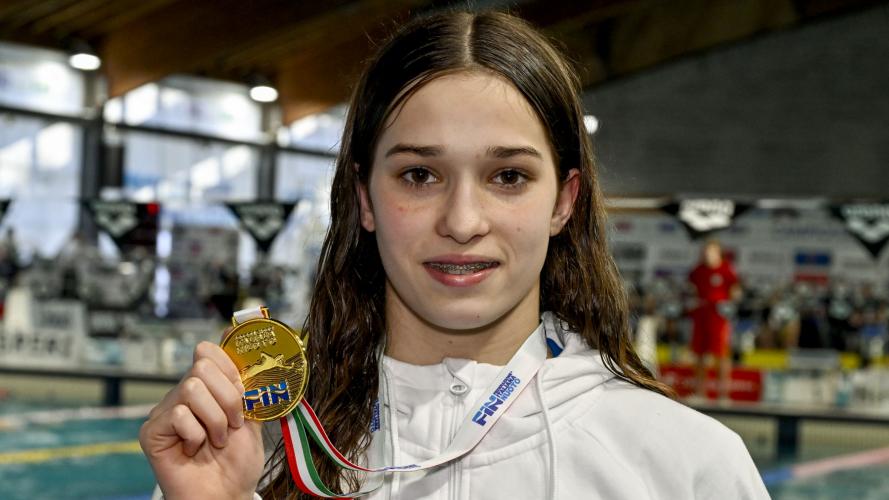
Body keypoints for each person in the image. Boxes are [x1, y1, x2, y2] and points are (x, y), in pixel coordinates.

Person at [139, 10, 769, 500]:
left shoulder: (685, 465)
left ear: (563, 202)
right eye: (419, 175)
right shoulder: (263, 453)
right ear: (364, 198)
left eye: (508, 177)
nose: (463, 222)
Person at [688, 239, 741, 400]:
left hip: (718, 317)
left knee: (721, 354)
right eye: (706, 251)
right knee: (699, 354)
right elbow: (691, 288)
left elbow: (735, 290)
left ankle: (723, 394)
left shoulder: (726, 269)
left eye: (711, 251)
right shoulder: (698, 270)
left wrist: (729, 304)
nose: (708, 255)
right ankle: (699, 392)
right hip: (701, 315)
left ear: (719, 253)